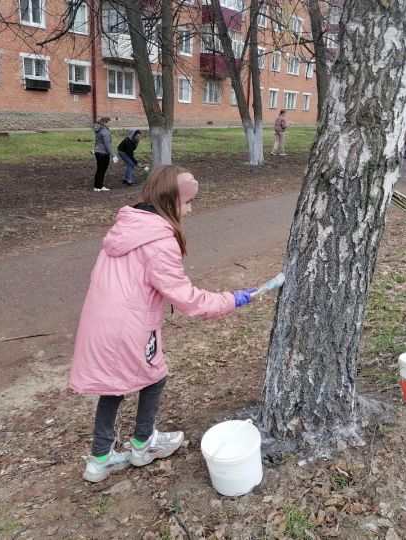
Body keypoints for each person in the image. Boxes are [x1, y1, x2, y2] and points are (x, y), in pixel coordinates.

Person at [70, 165, 257, 482]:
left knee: (113, 387)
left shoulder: (127, 226)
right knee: (154, 377)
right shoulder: (159, 240)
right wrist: (231, 299)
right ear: (170, 202)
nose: (190, 209)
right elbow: (186, 299)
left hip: (99, 322)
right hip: (127, 328)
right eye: (187, 203)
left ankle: (99, 458)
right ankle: (144, 444)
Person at [93, 116, 118, 192]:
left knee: (99, 169)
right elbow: (107, 145)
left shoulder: (99, 129)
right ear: (104, 122)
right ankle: (99, 186)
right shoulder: (105, 131)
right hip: (103, 153)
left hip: (98, 152)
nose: (111, 123)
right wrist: (113, 155)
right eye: (109, 122)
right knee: (102, 170)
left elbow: (97, 142)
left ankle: (97, 186)